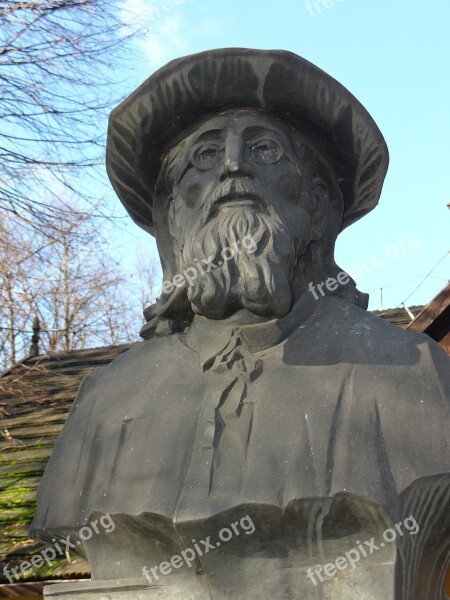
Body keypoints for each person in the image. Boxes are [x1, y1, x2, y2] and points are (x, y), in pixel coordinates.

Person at [31, 49, 450, 600]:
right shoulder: (105, 402)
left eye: (265, 149)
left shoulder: (409, 375)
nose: (232, 166)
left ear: (320, 204)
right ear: (172, 215)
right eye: (204, 157)